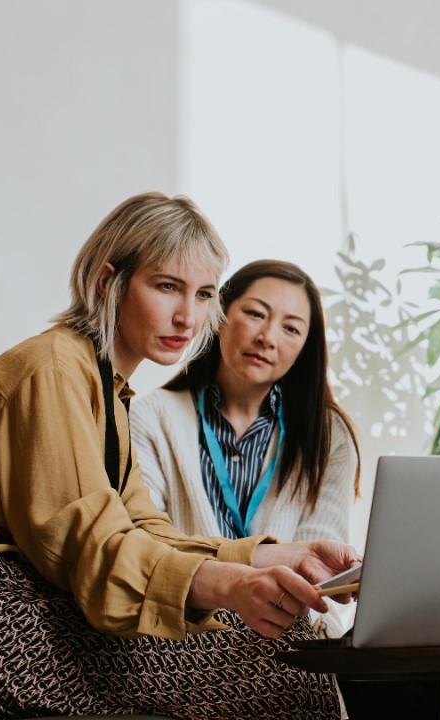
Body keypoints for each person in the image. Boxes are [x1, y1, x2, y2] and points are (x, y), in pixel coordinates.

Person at [0, 192, 357, 720]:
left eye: (202, 295)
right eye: (167, 286)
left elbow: (145, 528)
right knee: (284, 667)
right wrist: (233, 585)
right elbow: (94, 546)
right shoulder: (55, 369)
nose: (189, 316)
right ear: (109, 282)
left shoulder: (106, 387)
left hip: (24, 606)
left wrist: (276, 556)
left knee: (287, 660)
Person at [130, 259, 360, 638]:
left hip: (287, 636)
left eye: (291, 328)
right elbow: (148, 548)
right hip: (181, 634)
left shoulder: (329, 435)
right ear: (219, 316)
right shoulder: (150, 418)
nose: (268, 337)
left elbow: (323, 580)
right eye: (255, 314)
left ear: (304, 347)